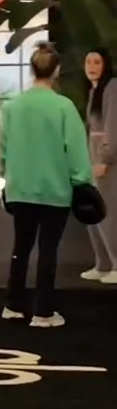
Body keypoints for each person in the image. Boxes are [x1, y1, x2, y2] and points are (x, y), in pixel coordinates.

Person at [0, 43, 94, 328]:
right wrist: (82, 181)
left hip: (20, 188)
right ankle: (43, 312)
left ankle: (13, 305)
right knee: (48, 249)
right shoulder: (63, 107)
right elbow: (76, 150)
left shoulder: (12, 107)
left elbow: (4, 149)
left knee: (21, 247)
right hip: (55, 189)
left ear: (32, 70)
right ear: (56, 71)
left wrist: (7, 176)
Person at [82, 48, 117, 283]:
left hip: (107, 159)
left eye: (97, 62)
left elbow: (113, 127)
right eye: (88, 62)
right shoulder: (94, 90)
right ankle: (102, 263)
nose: (92, 67)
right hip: (92, 156)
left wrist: (105, 158)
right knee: (92, 211)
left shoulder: (112, 88)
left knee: (109, 212)